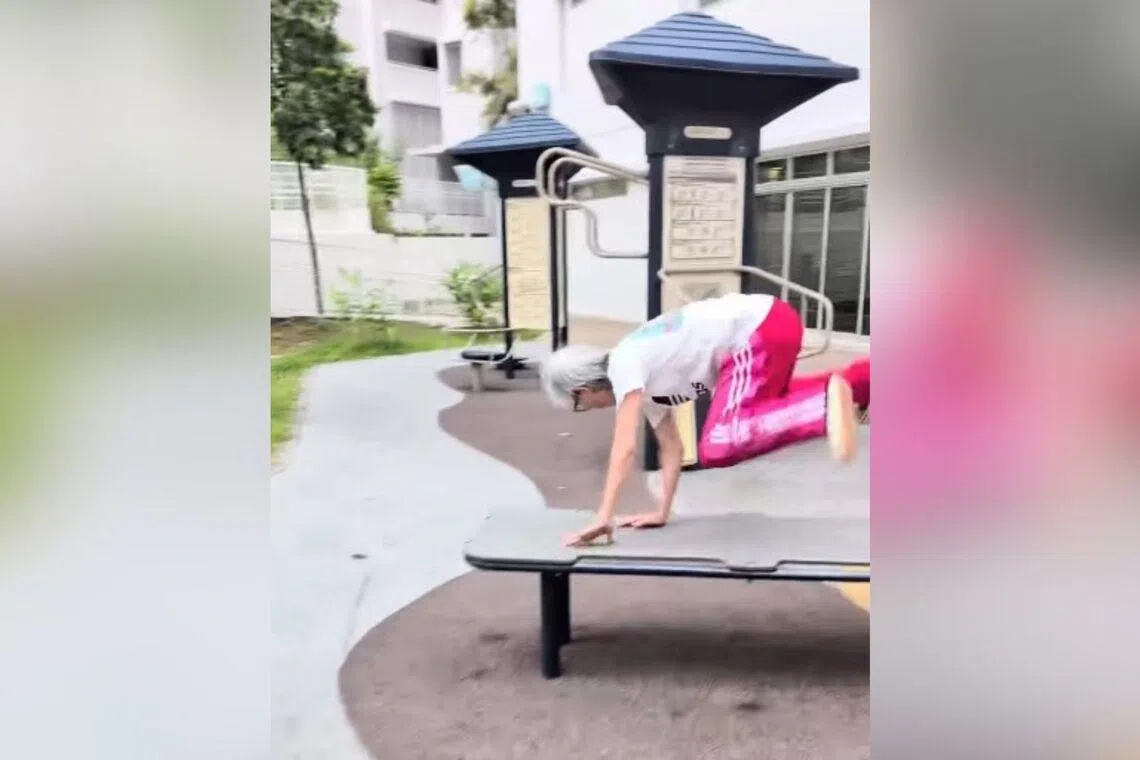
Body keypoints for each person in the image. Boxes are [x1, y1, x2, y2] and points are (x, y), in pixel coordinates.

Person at [539, 292, 870, 547]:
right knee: (775, 404)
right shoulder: (645, 383)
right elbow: (671, 447)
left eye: (580, 405)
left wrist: (604, 516)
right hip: (771, 322)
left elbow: (624, 447)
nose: (589, 409)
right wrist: (662, 511)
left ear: (582, 390)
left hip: (756, 330)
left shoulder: (623, 365)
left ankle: (821, 408)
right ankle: (869, 377)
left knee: (720, 442)